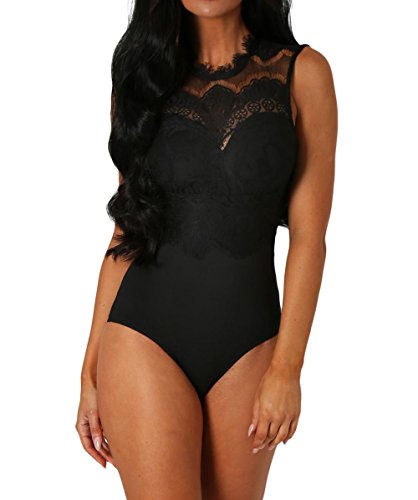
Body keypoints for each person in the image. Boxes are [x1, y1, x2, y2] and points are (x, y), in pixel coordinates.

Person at [76, 0, 337, 498]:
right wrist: (89, 371)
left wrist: (288, 368)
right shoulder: (141, 82)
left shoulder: (303, 75)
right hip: (142, 339)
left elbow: (309, 237)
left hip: (250, 350)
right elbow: (127, 233)